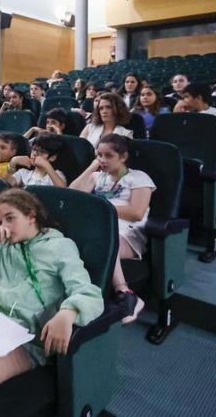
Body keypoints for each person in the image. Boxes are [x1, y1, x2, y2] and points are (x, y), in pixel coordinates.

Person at [0, 189, 104, 415]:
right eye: (0, 221)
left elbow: (88, 292)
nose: (4, 226)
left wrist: (68, 312)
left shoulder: (60, 246)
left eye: (10, 218)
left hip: (26, 336)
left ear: (31, 216)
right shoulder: (3, 243)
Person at [70, 134, 155, 324]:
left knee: (106, 239)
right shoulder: (97, 176)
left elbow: (136, 212)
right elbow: (71, 193)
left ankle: (126, 293)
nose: (102, 160)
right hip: (98, 228)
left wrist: (101, 209)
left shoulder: (138, 178)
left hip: (128, 234)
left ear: (123, 157)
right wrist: (91, 168)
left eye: (108, 156)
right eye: (99, 155)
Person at [175, 83, 216, 184]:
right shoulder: (184, 113)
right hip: (186, 149)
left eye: (186, 97)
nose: (183, 101)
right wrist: (176, 116)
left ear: (198, 98)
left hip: (209, 150)